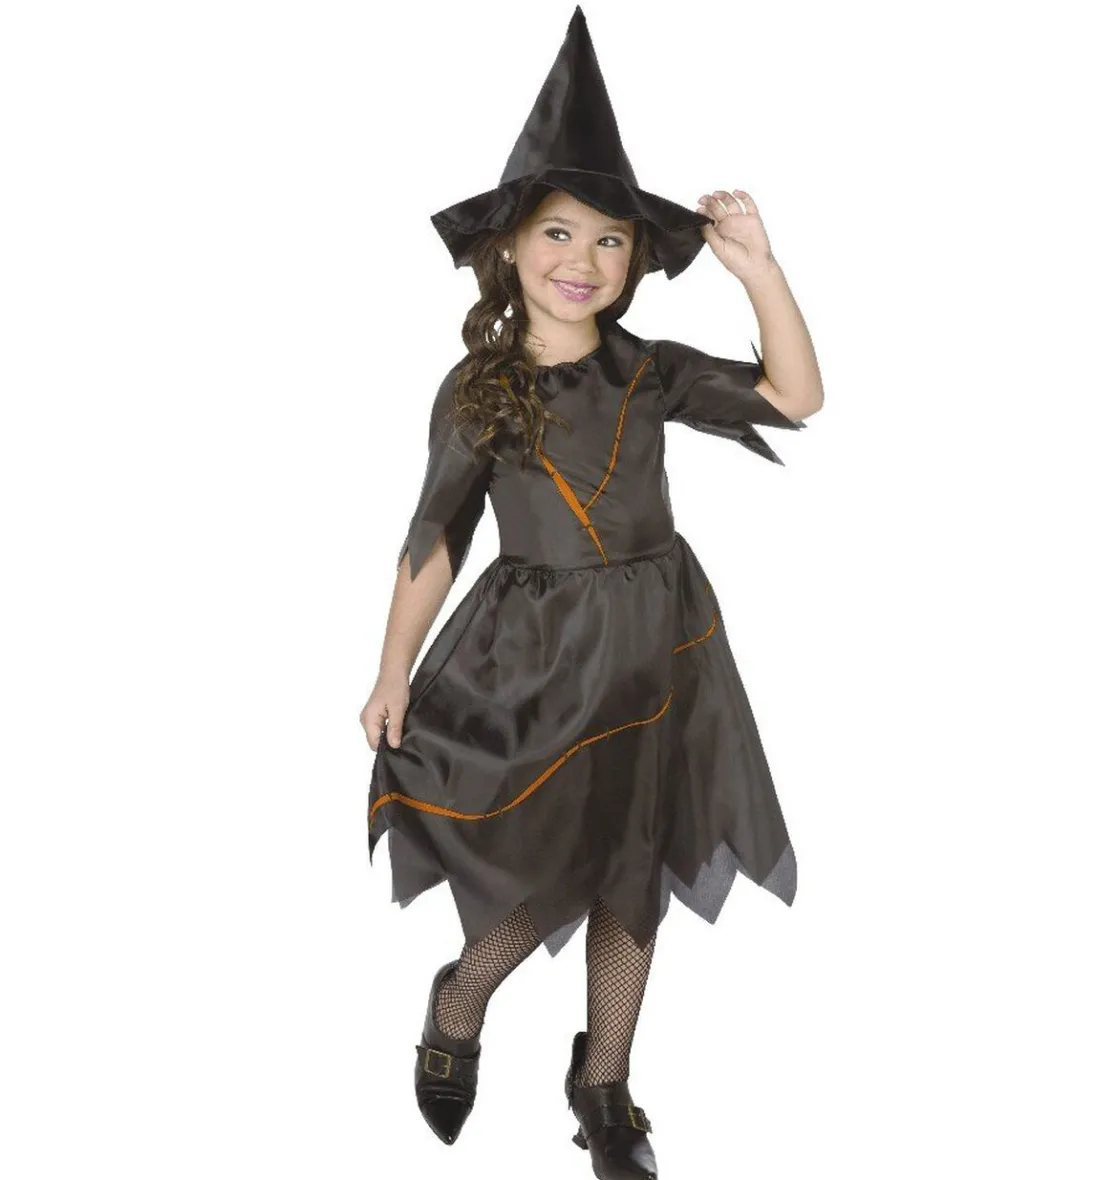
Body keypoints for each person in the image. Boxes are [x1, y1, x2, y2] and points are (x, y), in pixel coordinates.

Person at [359, 8, 822, 1178]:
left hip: (662, 645)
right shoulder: (479, 389)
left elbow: (794, 395)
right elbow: (434, 537)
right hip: (537, 657)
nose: (584, 257)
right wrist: (390, 670)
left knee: (636, 859)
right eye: (558, 232)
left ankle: (604, 1083)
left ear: (634, 263)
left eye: (611, 239)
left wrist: (758, 271)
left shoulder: (648, 372)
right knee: (545, 854)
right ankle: (461, 995)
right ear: (512, 248)